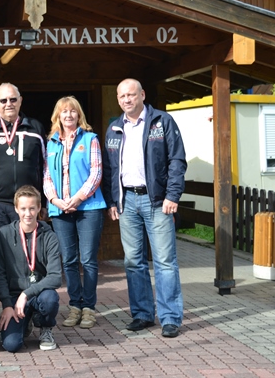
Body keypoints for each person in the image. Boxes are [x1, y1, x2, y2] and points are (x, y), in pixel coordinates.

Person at [102, 78, 187, 339]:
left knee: (164, 261)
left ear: (142, 95)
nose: (126, 99)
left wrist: (173, 195)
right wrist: (113, 201)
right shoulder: (114, 127)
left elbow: (177, 160)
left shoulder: (162, 121)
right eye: (122, 96)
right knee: (133, 261)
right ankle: (142, 314)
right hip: (127, 201)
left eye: (131, 94)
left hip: (158, 201)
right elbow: (110, 169)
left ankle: (170, 318)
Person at [43, 96, 107, 329]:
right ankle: (74, 306)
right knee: (68, 260)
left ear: (79, 115)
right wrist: (55, 200)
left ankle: (88, 308)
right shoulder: (50, 143)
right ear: (57, 116)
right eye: (64, 111)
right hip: (60, 209)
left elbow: (96, 173)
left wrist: (77, 198)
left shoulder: (90, 139)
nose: (68, 115)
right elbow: (47, 176)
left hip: (89, 208)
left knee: (88, 259)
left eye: (72, 111)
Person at [0, 82, 47, 251]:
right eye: (3, 100)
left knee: (27, 250)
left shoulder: (35, 128)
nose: (9, 104)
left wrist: (44, 203)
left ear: (20, 100)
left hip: (27, 204)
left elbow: (46, 168)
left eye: (13, 99)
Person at [0, 185, 61, 353]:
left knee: (50, 299)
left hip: (38, 294)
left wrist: (26, 294)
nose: (28, 213)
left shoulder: (49, 235)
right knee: (11, 345)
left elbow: (55, 277)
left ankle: (45, 326)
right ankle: (26, 322)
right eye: (23, 208)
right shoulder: (4, 234)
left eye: (32, 208)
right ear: (16, 209)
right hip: (14, 297)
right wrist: (7, 305)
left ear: (39, 208)